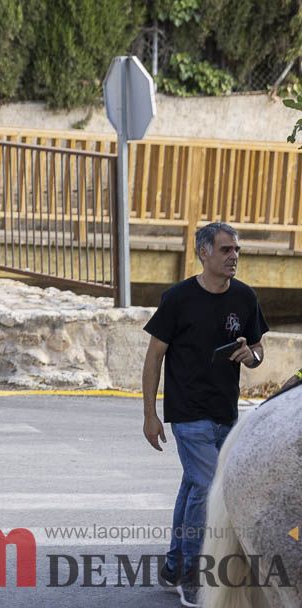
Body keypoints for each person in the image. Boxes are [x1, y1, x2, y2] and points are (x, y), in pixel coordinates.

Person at [141, 222, 267, 607]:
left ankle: (173, 567)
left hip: (225, 412)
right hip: (188, 412)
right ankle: (194, 574)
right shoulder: (178, 298)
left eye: (237, 250)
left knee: (194, 487)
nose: (234, 256)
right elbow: (154, 357)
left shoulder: (245, 297)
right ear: (204, 252)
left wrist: (251, 356)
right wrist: (150, 414)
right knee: (210, 487)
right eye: (226, 249)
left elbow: (258, 349)